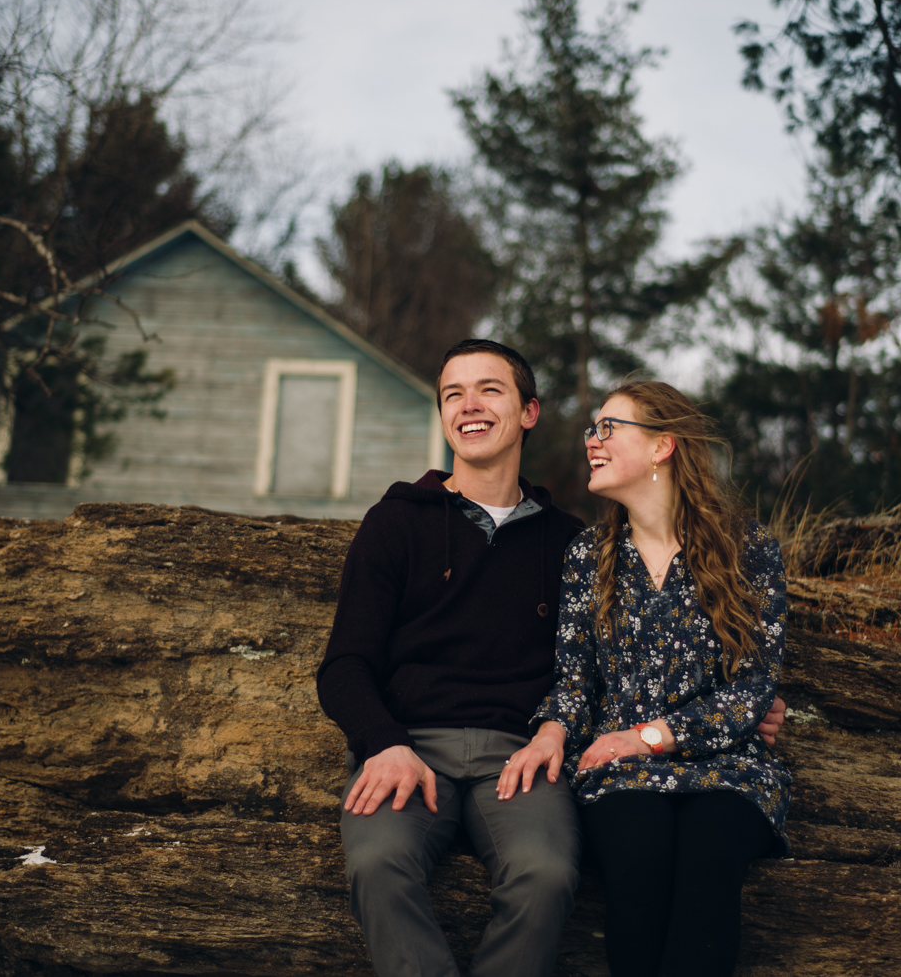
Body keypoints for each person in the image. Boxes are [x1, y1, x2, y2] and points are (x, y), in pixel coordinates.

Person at [317, 342, 786, 977]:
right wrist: (382, 741)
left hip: (519, 753)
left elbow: (618, 670)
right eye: (453, 394)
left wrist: (737, 708)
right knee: (377, 866)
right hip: (412, 745)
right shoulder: (404, 522)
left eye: (489, 390)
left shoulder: (567, 541)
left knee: (547, 873)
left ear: (529, 412)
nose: (469, 405)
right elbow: (345, 663)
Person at [498, 380, 792, 977]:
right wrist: (552, 730)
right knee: (638, 853)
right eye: (591, 429)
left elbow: (754, 687)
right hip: (620, 771)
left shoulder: (748, 548)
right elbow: (575, 676)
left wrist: (647, 736)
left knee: (711, 852)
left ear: (663, 446)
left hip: (729, 763)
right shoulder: (589, 556)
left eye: (609, 428)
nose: (592, 442)